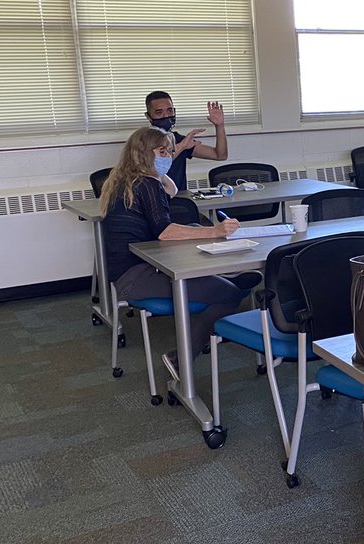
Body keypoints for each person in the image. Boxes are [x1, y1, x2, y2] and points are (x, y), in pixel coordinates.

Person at [101, 127, 257, 379]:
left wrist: (161, 166)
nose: (167, 156)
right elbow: (165, 232)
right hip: (137, 277)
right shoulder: (146, 183)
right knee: (229, 295)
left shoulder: (126, 178)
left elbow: (171, 191)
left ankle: (224, 278)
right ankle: (181, 358)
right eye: (161, 151)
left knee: (194, 229)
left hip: (135, 270)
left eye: (169, 151)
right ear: (143, 153)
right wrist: (215, 231)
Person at [144, 92, 229, 192]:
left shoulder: (179, 139)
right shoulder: (141, 140)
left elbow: (220, 155)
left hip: (180, 199)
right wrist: (182, 146)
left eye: (170, 111)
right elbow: (153, 168)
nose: (166, 116)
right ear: (148, 116)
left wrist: (219, 125)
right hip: (152, 201)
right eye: (159, 112)